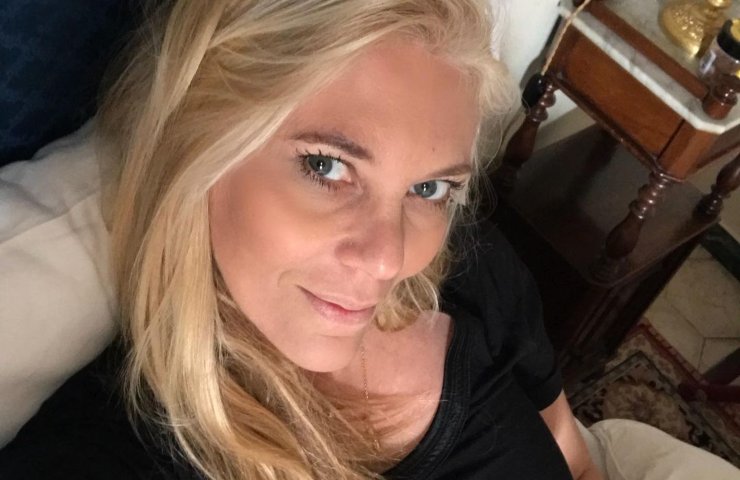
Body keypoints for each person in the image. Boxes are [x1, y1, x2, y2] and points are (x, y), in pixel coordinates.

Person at [0, 1, 603, 479]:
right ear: (198, 146)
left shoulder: (474, 270)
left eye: (429, 189)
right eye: (326, 166)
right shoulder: (105, 448)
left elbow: (573, 459)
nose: (389, 258)